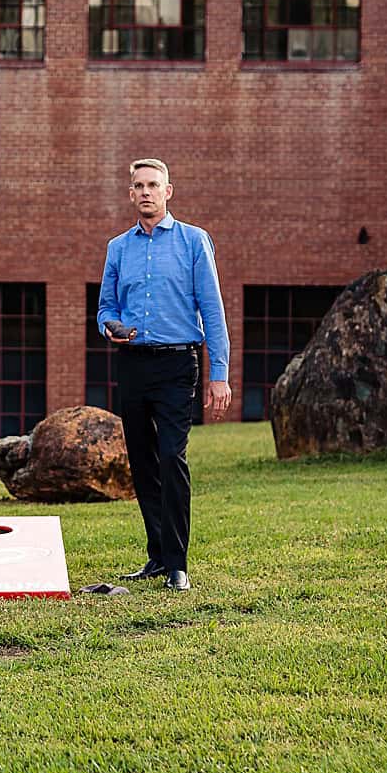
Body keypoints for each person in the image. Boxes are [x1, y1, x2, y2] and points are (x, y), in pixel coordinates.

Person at [97, 157, 231, 591]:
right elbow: (105, 307)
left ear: (168, 191)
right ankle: (156, 555)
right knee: (142, 461)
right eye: (138, 186)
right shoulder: (118, 248)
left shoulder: (194, 242)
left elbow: (212, 310)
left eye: (153, 184)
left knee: (172, 456)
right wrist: (110, 326)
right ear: (130, 193)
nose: (146, 192)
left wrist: (219, 374)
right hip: (134, 364)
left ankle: (178, 563)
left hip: (178, 364)